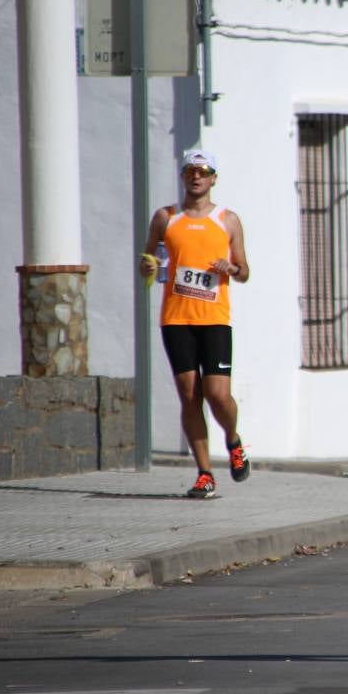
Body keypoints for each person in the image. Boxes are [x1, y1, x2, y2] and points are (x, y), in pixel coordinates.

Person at [138, 149, 251, 499]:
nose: (196, 177)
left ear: (213, 178)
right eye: (190, 171)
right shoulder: (165, 217)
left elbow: (244, 271)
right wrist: (149, 269)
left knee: (217, 395)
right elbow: (148, 259)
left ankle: (233, 440)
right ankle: (205, 474)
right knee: (189, 396)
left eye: (203, 171)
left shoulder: (228, 219)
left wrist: (229, 269)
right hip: (176, 318)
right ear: (183, 177)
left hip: (214, 319)